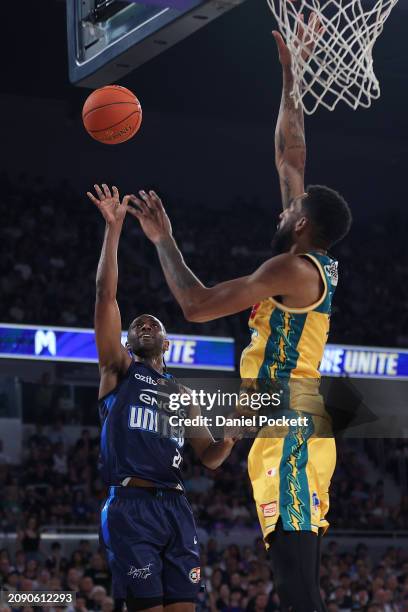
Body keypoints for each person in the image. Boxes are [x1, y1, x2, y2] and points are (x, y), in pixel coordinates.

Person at [125, 21, 352, 612]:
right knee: (291, 575)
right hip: (274, 409)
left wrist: (162, 238)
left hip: (291, 417)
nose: (286, 198)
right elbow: (289, 153)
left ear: (302, 225)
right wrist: (292, 72)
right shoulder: (301, 257)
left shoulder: (292, 269)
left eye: (293, 205)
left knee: (297, 582)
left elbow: (196, 306)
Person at [87, 184, 238, 612]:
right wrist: (113, 229)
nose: (146, 325)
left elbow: (207, 457)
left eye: (154, 323)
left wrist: (227, 438)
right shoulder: (117, 370)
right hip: (131, 505)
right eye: (139, 325)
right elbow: (105, 296)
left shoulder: (182, 393)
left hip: (176, 506)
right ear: (129, 342)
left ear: (168, 344)